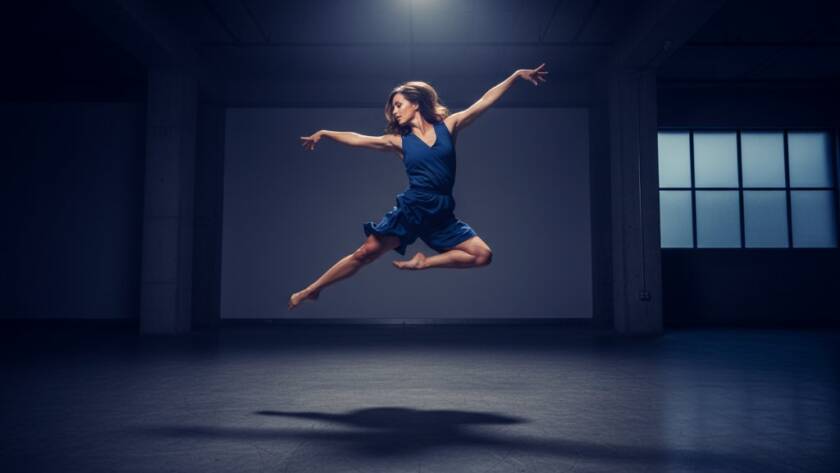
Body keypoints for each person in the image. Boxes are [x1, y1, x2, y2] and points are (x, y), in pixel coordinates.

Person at [289, 63, 549, 310]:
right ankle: (312, 289)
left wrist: (515, 76)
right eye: (393, 108)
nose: (395, 111)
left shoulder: (449, 126)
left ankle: (424, 262)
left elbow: (483, 102)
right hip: (413, 209)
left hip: (441, 213)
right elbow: (358, 139)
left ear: (415, 103)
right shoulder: (397, 142)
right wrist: (325, 133)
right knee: (364, 253)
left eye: (399, 105)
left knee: (483, 255)